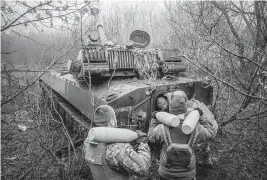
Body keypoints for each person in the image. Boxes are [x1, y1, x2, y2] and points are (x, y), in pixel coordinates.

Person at [148, 90, 218, 180]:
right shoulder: (196, 128)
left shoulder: (161, 128)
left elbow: (150, 137)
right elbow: (211, 132)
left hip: (166, 174)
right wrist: (199, 115)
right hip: (187, 175)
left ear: (170, 106)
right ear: (186, 106)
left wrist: (155, 118)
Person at [84, 105, 151, 180]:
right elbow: (143, 169)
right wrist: (143, 144)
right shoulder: (118, 148)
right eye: (115, 118)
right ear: (112, 121)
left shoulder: (87, 142)